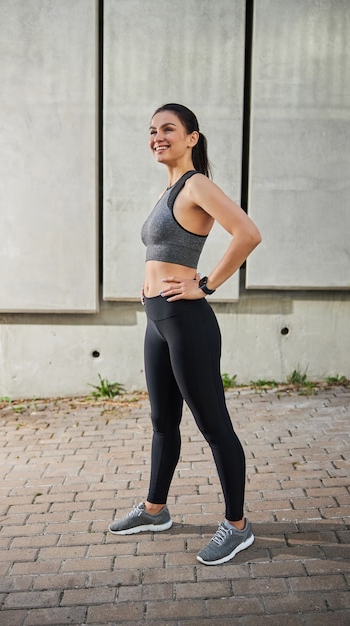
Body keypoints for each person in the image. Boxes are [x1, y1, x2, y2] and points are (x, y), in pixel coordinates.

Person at [109, 103, 262, 565]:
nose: (157, 136)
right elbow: (165, 248)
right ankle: (156, 509)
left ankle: (238, 526)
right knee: (162, 421)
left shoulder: (197, 184)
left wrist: (206, 284)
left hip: (185, 320)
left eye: (168, 129)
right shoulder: (170, 188)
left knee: (214, 424)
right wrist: (151, 280)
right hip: (158, 317)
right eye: (152, 130)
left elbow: (247, 233)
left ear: (192, 137)